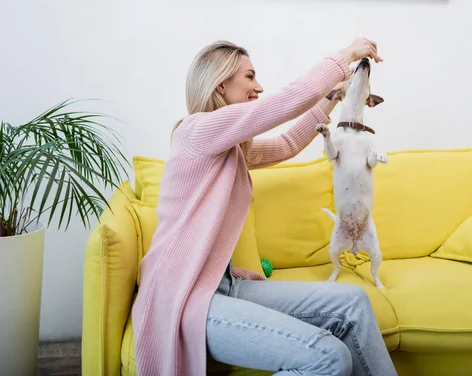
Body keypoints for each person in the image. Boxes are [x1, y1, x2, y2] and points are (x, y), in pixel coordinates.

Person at [131, 38, 397, 376]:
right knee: (328, 358)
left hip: (223, 285)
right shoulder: (196, 130)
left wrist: (334, 96)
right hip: (184, 297)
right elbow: (284, 102)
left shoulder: (231, 147)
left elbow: (286, 145)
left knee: (354, 304)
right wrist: (345, 56)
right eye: (249, 77)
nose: (258, 87)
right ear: (221, 83)